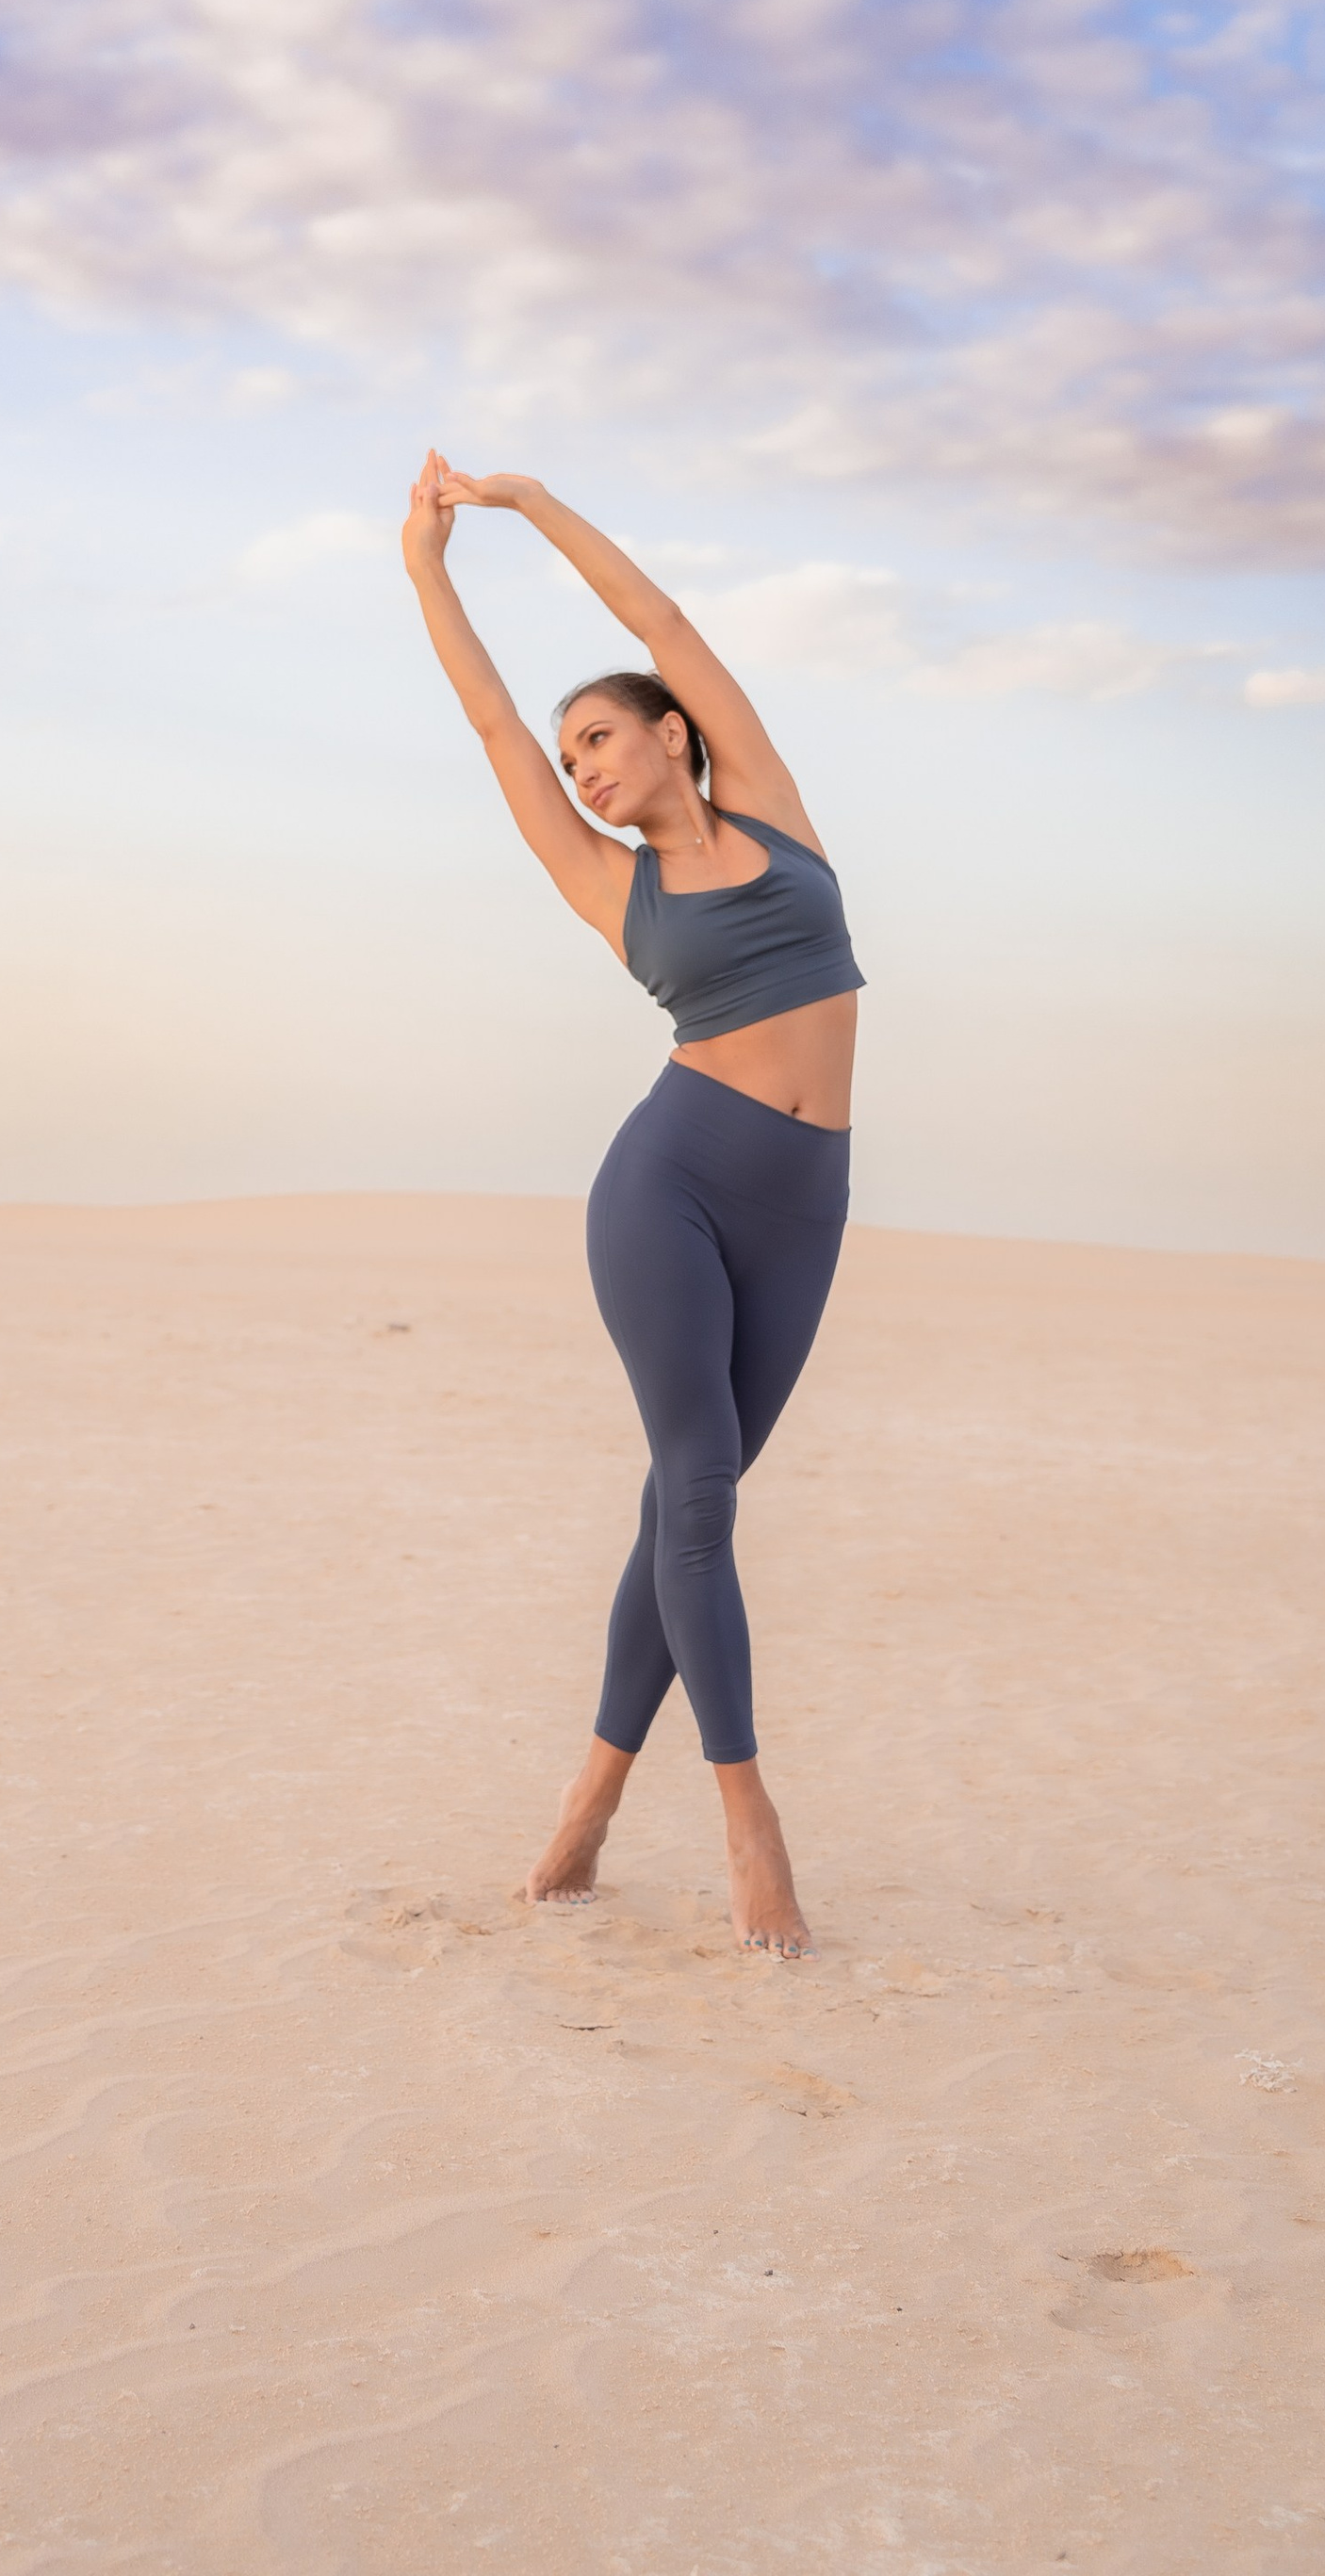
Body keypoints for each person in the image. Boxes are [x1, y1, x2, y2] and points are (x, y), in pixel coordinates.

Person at [400, 452, 865, 1957]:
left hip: (805, 1201)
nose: (585, 765)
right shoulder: (615, 887)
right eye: (573, 754)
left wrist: (525, 508)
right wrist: (429, 569)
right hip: (668, 1184)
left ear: (675, 735)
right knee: (705, 1484)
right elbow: (486, 722)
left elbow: (657, 615)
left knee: (684, 1502)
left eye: (600, 736)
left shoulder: (777, 809)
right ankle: (748, 1817)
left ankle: (585, 1814)